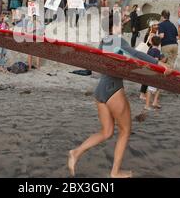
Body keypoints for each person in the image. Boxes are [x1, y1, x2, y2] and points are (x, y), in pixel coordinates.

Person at [68, 11, 172, 178]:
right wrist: (159, 64)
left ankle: (76, 152)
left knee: (107, 132)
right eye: (119, 23)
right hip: (113, 89)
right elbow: (136, 55)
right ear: (112, 26)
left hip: (101, 90)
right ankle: (115, 172)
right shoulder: (117, 40)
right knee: (125, 130)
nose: (122, 25)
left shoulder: (105, 41)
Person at [143, 36, 167, 111]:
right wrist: (163, 62)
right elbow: (155, 61)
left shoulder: (149, 50)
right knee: (150, 89)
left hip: (148, 69)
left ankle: (155, 102)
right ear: (159, 43)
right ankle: (147, 105)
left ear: (151, 42)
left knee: (158, 87)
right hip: (153, 71)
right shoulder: (157, 51)